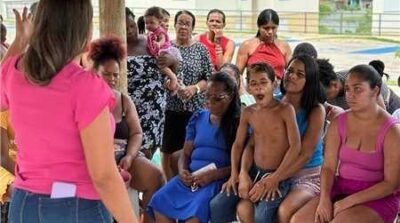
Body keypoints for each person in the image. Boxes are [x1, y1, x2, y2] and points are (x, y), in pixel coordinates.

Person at [0, 2, 136, 222]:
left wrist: (20, 41)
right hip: (77, 206)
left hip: (25, 204)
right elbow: (103, 176)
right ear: (84, 30)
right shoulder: (85, 86)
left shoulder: (15, 71)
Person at [292, 65, 400, 223]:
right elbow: (328, 167)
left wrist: (348, 202)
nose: (350, 95)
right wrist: (324, 199)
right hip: (341, 187)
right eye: (348, 89)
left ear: (375, 91)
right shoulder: (339, 122)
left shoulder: (392, 131)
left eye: (358, 89)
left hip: (378, 197)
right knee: (299, 220)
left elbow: (391, 184)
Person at [89, 35, 165, 223]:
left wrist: (130, 156)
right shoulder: (85, 99)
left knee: (156, 176)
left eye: (116, 75)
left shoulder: (123, 99)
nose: (112, 79)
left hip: (124, 155)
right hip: (94, 159)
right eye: (107, 74)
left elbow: (137, 133)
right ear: (95, 72)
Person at [147, 71, 240, 223]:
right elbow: (186, 153)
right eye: (207, 96)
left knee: (195, 215)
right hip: (190, 178)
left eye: (217, 98)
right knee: (159, 201)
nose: (210, 101)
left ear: (230, 97)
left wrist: (213, 175)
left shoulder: (238, 124)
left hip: (215, 182)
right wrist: (183, 169)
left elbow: (241, 166)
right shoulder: (198, 117)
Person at [232, 62, 301, 222]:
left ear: (274, 84)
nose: (258, 88)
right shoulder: (248, 112)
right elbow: (239, 145)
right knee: (220, 203)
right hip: (254, 172)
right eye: (253, 83)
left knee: (262, 216)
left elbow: (295, 146)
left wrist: (275, 178)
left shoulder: (285, 110)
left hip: (279, 175)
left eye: (263, 82)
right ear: (248, 87)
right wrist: (239, 173)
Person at [274, 54, 326, 223]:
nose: (292, 76)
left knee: (284, 210)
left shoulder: (316, 110)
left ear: (309, 81)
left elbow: (304, 154)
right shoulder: (273, 102)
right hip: (276, 169)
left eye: (300, 74)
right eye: (290, 70)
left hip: (307, 175)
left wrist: (276, 178)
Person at [161, 10, 213, 179]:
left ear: (192, 27)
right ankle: (169, 185)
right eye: (180, 23)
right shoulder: (167, 49)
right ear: (174, 25)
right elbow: (160, 76)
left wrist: (194, 88)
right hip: (171, 108)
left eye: (187, 24)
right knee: (168, 151)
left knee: (191, 150)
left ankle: (189, 183)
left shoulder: (201, 49)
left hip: (195, 110)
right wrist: (170, 85)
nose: (183, 27)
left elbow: (209, 78)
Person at [125, 7, 176, 160]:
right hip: (127, 106)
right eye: (125, 28)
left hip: (153, 106)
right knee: (127, 149)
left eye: (132, 26)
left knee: (147, 150)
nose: (130, 30)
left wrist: (171, 60)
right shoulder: (114, 47)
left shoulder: (150, 40)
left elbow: (174, 64)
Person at [236, 9, 291, 80]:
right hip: (254, 88)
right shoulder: (247, 45)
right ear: (259, 27)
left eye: (273, 28)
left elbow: (291, 72)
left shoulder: (284, 46)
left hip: (278, 89)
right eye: (266, 28)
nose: (270, 32)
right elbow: (237, 74)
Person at [143, 6, 181, 94]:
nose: (148, 25)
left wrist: (158, 43)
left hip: (163, 50)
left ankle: (173, 78)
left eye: (151, 22)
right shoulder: (150, 33)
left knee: (162, 65)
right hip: (158, 51)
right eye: (146, 23)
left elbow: (162, 39)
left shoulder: (160, 31)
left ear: (159, 22)